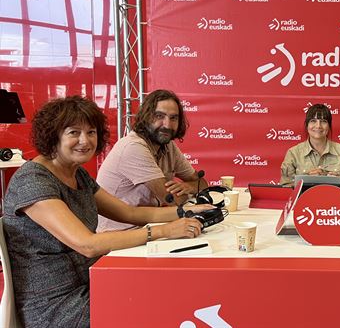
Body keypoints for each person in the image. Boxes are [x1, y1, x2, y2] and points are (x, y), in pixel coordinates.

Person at [2, 96, 213, 327]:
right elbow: (87, 244)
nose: (85, 141)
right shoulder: (33, 181)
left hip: (91, 282)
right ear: (53, 135)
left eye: (91, 132)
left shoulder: (77, 174)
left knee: (162, 286)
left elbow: (129, 214)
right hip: (55, 307)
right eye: (74, 132)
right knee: (156, 304)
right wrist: (165, 232)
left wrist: (187, 212)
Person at [96, 89, 207, 232]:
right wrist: (187, 191)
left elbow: (202, 183)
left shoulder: (168, 145)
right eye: (159, 116)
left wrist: (190, 186)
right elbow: (172, 200)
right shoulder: (133, 146)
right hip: (119, 235)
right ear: (146, 116)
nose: (167, 125)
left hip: (149, 226)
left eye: (173, 118)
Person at [280, 104, 340, 186]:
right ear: (307, 125)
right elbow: (285, 188)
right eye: (313, 121)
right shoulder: (293, 153)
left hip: (335, 198)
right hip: (305, 199)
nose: (318, 126)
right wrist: (307, 180)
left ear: (329, 126)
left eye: (323, 121)